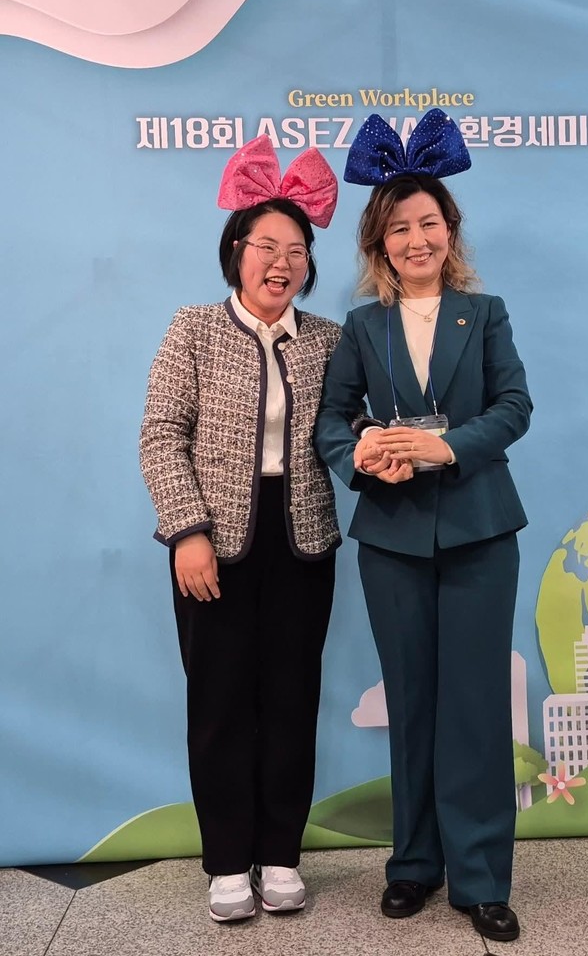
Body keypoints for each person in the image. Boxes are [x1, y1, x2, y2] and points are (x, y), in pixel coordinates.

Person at [314, 109, 533, 944]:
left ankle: (480, 877)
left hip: (481, 530)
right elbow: (333, 420)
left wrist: (446, 447)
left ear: (451, 230)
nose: (417, 239)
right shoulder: (361, 325)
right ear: (379, 240)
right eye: (400, 226)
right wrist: (364, 455)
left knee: (474, 704)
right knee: (410, 703)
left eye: (429, 223)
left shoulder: (487, 311)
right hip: (393, 538)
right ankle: (413, 864)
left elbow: (514, 406)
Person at [140, 135, 342, 922]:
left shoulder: (327, 339)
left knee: (292, 698)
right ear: (236, 251)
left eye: (296, 250)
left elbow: (345, 429)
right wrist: (186, 530)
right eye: (267, 246)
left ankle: (280, 853)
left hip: (303, 541)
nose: (281, 262)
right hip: (213, 544)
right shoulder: (192, 328)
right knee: (220, 702)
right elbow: (161, 434)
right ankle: (227, 860)